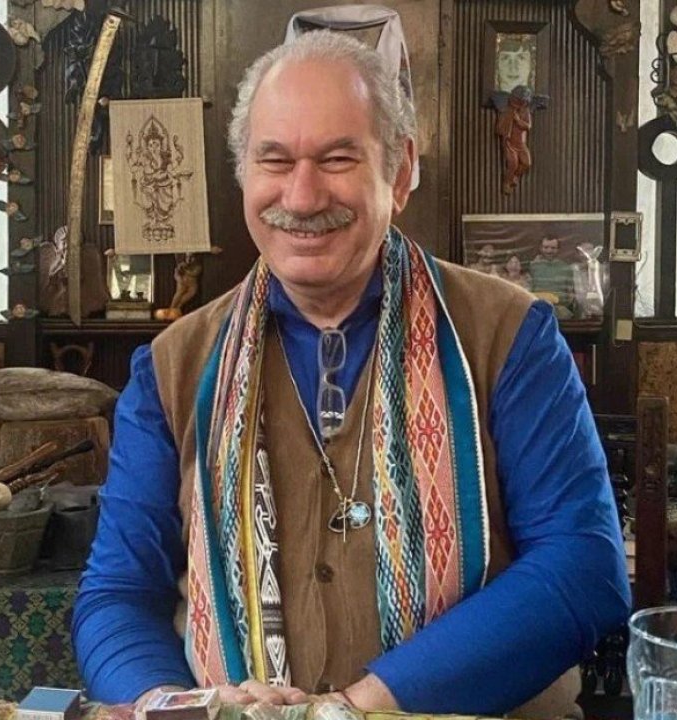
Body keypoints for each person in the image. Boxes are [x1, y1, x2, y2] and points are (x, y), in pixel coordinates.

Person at [73, 30, 629, 719]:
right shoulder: (173, 366)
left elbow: (583, 568)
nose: (303, 196)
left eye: (337, 159)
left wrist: (356, 708)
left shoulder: (508, 335)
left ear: (401, 171)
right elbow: (117, 594)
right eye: (274, 160)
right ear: (244, 173)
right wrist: (175, 705)